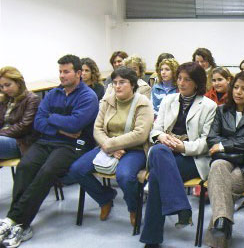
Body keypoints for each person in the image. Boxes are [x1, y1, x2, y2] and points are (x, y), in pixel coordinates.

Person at [0, 55, 99, 247]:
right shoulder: (53, 94)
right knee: (25, 166)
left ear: (79, 73)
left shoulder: (88, 97)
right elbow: (38, 123)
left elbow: (76, 125)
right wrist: (60, 126)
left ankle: (17, 222)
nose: (62, 76)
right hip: (47, 140)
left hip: (76, 144)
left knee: (47, 172)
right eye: (60, 72)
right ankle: (16, 221)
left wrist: (51, 118)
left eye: (66, 71)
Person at [140, 62, 217, 248]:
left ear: (197, 83)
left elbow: (206, 143)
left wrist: (183, 147)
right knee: (158, 149)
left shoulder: (209, 106)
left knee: (157, 178)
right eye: (180, 78)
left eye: (187, 80)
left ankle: (152, 239)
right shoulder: (169, 100)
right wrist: (162, 136)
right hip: (165, 152)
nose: (181, 83)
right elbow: (155, 130)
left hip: (192, 158)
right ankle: (181, 207)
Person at [68, 66, 153, 226]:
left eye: (122, 82)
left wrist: (111, 145)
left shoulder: (143, 103)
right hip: (107, 146)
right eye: (114, 82)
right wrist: (108, 146)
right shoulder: (108, 100)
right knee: (76, 169)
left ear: (133, 84)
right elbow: (97, 128)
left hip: (134, 149)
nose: (117, 86)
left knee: (125, 176)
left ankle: (134, 208)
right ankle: (105, 198)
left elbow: (140, 134)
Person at [204, 71, 244, 248]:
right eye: (236, 87)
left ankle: (217, 240)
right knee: (218, 166)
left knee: (222, 187)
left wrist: (224, 146)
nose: (238, 92)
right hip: (228, 160)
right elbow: (212, 139)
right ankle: (223, 222)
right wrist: (239, 150)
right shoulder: (222, 110)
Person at [0, 66, 40, 159]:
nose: (4, 89)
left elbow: (24, 127)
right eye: (1, 86)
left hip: (20, 142)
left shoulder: (32, 99)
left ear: (18, 83)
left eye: (7, 85)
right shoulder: (5, 99)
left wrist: (1, 132)